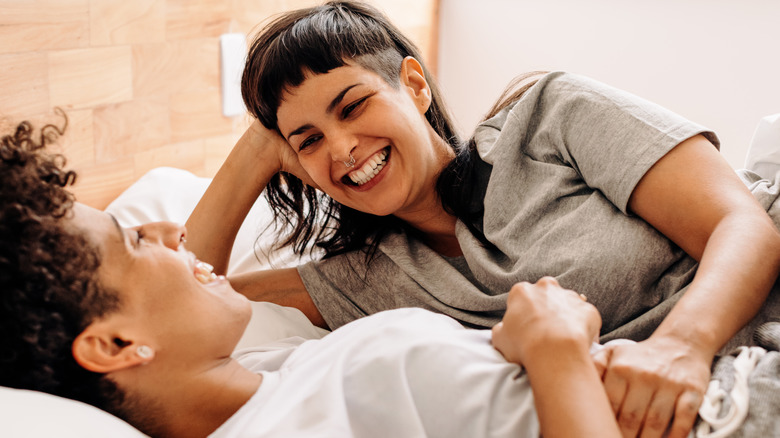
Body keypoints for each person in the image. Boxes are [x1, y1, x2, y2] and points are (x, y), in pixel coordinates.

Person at [184, 2, 780, 437]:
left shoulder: (549, 115)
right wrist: (257, 150)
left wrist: (681, 346)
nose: (341, 149)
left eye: (354, 105)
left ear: (413, 86)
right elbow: (181, 306)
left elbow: (743, 222)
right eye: (309, 141)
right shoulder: (360, 282)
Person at [0, 117, 622, 437]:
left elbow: (201, 272)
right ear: (113, 344)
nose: (168, 228)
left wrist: (514, 347)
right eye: (133, 241)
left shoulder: (270, 370)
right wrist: (556, 353)